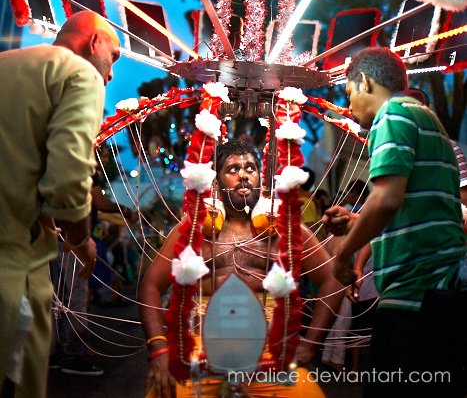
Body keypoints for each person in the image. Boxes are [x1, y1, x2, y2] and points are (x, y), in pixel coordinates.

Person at [138, 139, 345, 398]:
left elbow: (333, 279)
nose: (244, 175)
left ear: (260, 179)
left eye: (250, 168)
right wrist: (158, 350)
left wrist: (312, 343)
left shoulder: (285, 229)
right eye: (233, 169)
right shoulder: (192, 230)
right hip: (199, 354)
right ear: (216, 182)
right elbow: (150, 286)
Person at [324, 47, 466, 398]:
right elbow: (421, 209)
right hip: (440, 293)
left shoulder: (393, 114)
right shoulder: (429, 121)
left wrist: (343, 254)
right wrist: (358, 220)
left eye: (348, 93)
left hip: (413, 296)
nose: (349, 106)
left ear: (366, 83)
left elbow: (387, 200)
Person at [0, 10, 120, 398]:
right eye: (114, 57)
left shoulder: (6, 63)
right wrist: (81, 239)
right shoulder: (78, 73)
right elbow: (68, 179)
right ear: (94, 42)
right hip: (12, 265)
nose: (112, 74)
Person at [50, 154, 138, 376]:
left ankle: (49, 353)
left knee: (53, 297)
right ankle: (74, 355)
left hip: (52, 235)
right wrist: (123, 210)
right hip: (72, 239)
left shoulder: (55, 160)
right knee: (76, 298)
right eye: (104, 152)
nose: (104, 157)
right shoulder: (82, 163)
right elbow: (95, 201)